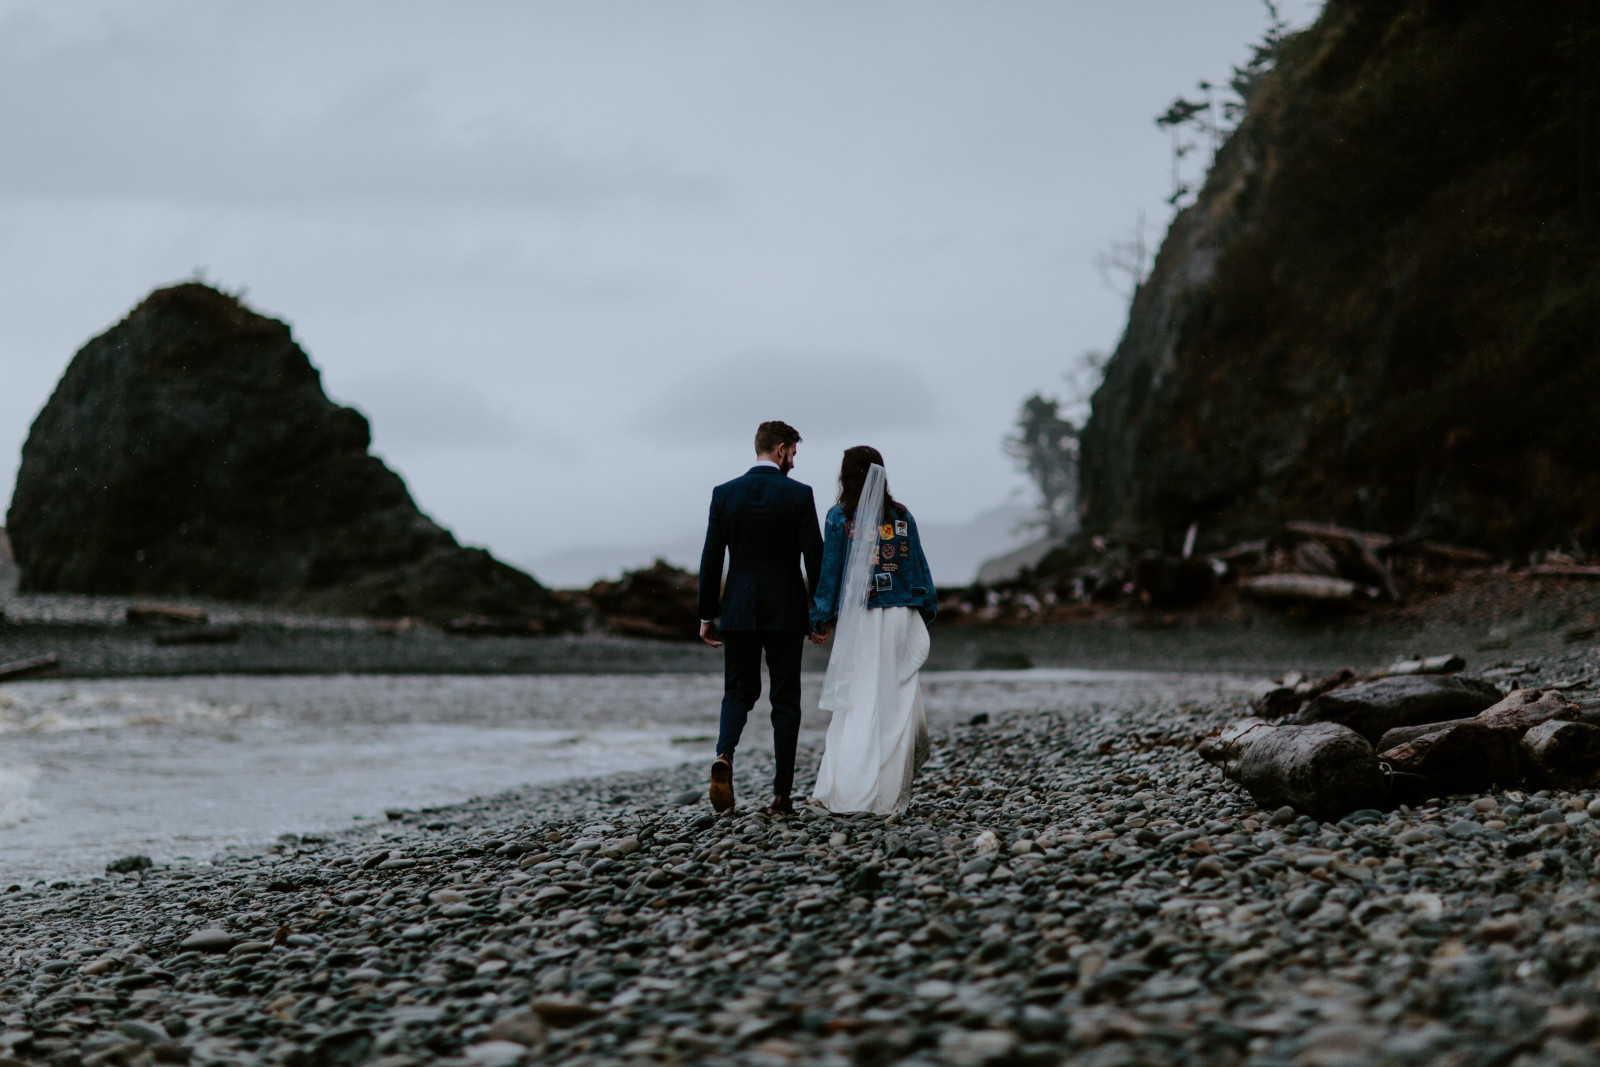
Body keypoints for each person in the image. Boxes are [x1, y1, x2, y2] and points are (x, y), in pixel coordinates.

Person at [697, 420, 825, 815]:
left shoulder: (724, 494)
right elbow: (814, 557)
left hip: (737, 607)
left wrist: (707, 614)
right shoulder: (799, 495)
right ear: (782, 449)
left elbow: (712, 558)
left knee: (737, 690)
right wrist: (818, 612)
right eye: (794, 454)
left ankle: (724, 754)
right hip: (786, 610)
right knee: (785, 699)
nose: (794, 462)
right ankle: (782, 795)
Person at [809, 446, 937, 814]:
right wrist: (925, 608)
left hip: (863, 618)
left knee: (860, 699)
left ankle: (851, 789)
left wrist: (820, 617)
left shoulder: (839, 518)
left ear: (846, 475)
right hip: (900, 615)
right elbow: (918, 568)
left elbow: (830, 572)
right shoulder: (901, 516)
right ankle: (888, 792)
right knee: (894, 702)